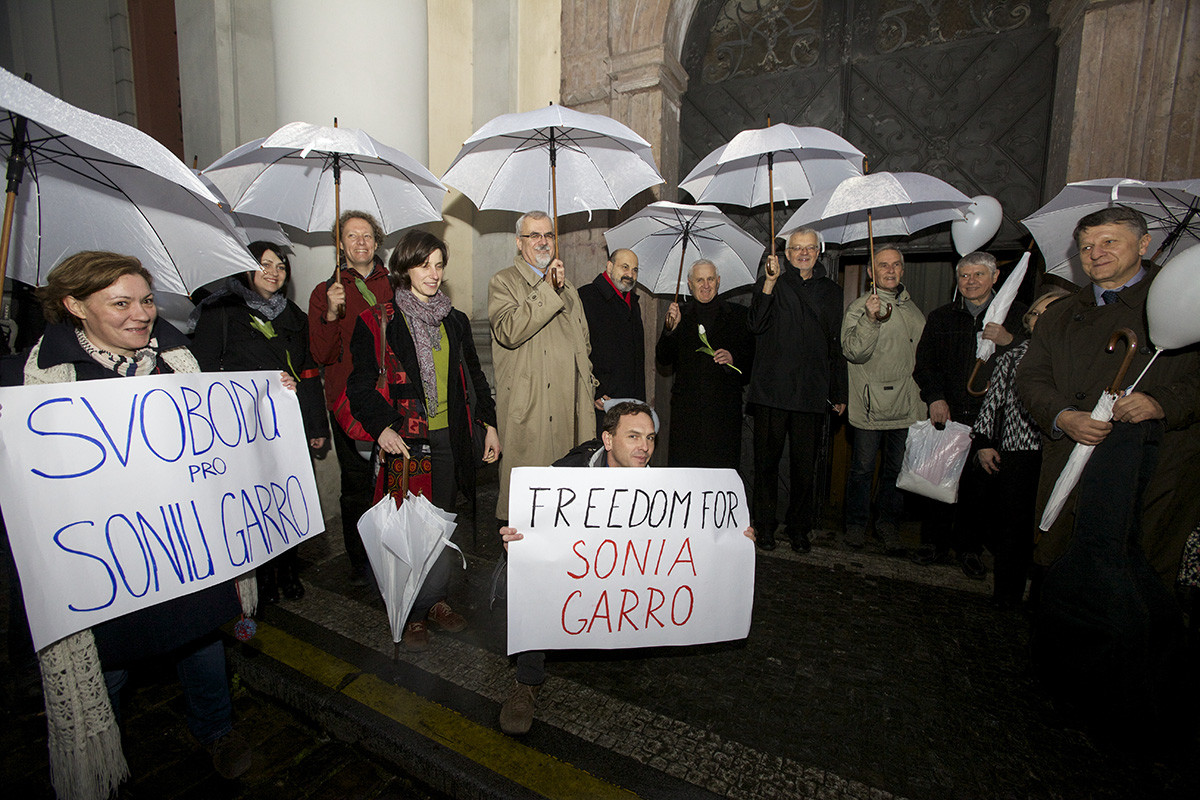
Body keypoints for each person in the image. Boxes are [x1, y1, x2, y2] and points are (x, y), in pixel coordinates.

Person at [1, 252, 254, 787]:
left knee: (202, 644)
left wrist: (261, 404)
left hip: (184, 549)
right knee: (107, 666)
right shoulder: (28, 384)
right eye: (121, 303)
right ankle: (101, 758)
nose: (140, 314)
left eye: (144, 300)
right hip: (105, 565)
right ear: (74, 306)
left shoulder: (177, 364)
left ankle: (216, 730)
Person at [497, 400, 754, 735]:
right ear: (608, 440)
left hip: (618, 588)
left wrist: (737, 540)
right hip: (575, 578)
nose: (644, 447)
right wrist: (516, 543)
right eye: (633, 436)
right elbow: (533, 531)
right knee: (522, 579)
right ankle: (527, 682)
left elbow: (701, 542)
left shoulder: (668, 489)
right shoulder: (566, 475)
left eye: (649, 438)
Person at [1016, 206, 1200, 587]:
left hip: (1153, 467)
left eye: (1109, 242)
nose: (1095, 253)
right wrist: (1063, 416)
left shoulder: (1186, 301)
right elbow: (1031, 378)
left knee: (1132, 588)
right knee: (1065, 582)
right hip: (1072, 460)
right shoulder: (1060, 315)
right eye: (1085, 247)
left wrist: (1162, 401)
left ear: (1144, 244)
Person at [347, 230, 500, 651]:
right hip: (406, 445)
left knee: (441, 527)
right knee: (409, 531)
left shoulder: (456, 320)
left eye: (438, 265)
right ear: (404, 268)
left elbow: (475, 376)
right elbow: (358, 386)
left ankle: (437, 601)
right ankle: (412, 610)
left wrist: (489, 424)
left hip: (451, 440)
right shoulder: (379, 321)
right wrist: (382, 428)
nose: (433, 274)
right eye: (423, 265)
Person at [191, 241, 329, 604]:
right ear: (244, 268)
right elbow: (201, 374)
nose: (274, 272)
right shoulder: (220, 311)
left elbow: (309, 371)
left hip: (287, 426)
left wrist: (316, 426)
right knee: (254, 504)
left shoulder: (294, 316)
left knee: (287, 500)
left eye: (280, 266)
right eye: (264, 264)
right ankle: (261, 575)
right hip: (242, 430)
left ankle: (288, 569)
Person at [912, 251, 1027, 577]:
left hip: (991, 419)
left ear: (994, 278)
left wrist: (1009, 342)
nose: (971, 281)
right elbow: (925, 365)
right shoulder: (941, 318)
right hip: (948, 413)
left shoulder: (1014, 317)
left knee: (980, 490)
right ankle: (933, 543)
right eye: (965, 276)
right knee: (937, 483)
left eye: (979, 275)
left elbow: (1034, 365)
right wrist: (934, 398)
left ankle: (970, 550)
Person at [488, 210, 596, 523]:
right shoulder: (504, 282)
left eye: (548, 235)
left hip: (571, 410)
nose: (543, 241)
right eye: (534, 235)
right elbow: (509, 330)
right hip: (533, 410)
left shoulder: (571, 288)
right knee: (530, 508)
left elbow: (584, 345)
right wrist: (547, 289)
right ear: (519, 243)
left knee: (568, 505)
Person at [747, 228, 847, 552]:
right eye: (796, 248)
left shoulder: (831, 291)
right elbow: (755, 325)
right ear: (787, 254)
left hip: (810, 392)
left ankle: (799, 529)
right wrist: (770, 283)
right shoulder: (772, 281)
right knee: (765, 465)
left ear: (819, 252)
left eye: (809, 248)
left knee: (805, 469)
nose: (803, 253)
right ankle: (764, 526)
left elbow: (836, 344)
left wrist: (839, 391)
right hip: (772, 392)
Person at [308, 211, 392, 586]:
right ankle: (361, 561)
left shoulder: (395, 282)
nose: (361, 242)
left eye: (368, 235)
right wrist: (330, 312)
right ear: (340, 244)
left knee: (393, 480)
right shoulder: (326, 290)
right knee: (357, 486)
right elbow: (321, 356)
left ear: (377, 241)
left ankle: (394, 549)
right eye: (352, 236)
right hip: (348, 403)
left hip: (392, 398)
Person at [972, 289, 1069, 608]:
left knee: (1054, 530)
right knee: (1014, 526)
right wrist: (985, 444)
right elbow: (991, 402)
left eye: (1050, 312)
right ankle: (1007, 596)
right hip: (1018, 452)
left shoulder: (1074, 360)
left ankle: (1048, 601)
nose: (1041, 318)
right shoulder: (1014, 355)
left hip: (1062, 453)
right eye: (1036, 314)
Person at [840, 247, 925, 553]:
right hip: (870, 406)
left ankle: (887, 524)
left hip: (906, 406)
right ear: (871, 273)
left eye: (896, 265)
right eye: (883, 266)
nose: (890, 270)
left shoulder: (912, 310)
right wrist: (870, 320)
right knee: (862, 469)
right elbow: (853, 352)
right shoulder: (859, 307)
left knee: (896, 471)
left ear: (902, 270)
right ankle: (856, 524)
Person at [656, 259, 752, 468]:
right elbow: (663, 359)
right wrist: (670, 330)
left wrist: (733, 358)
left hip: (724, 414)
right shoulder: (679, 315)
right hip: (687, 414)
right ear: (690, 284)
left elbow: (751, 363)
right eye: (700, 280)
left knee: (721, 474)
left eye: (710, 279)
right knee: (686, 476)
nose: (705, 285)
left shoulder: (738, 316)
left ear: (718, 281)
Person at [578, 248, 645, 433]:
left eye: (635, 270)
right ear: (609, 266)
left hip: (630, 401)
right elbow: (579, 351)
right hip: (601, 401)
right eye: (625, 267)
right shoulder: (586, 297)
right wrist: (595, 391)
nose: (630, 275)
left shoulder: (633, 303)